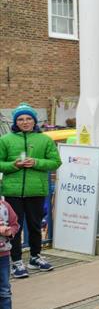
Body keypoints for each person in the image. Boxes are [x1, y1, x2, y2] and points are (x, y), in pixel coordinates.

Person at [0, 103, 62, 278]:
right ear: (15, 122)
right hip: (13, 191)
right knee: (15, 228)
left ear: (34, 121)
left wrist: (36, 162)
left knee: (35, 226)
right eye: (20, 119)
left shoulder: (45, 140)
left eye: (28, 118)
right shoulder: (5, 140)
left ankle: (35, 257)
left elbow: (56, 162)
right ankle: (17, 261)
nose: (25, 122)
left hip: (37, 189)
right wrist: (14, 165)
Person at [1, 197, 20, 309]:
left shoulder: (5, 206)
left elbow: (15, 224)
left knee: (4, 288)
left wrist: (10, 232)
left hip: (3, 255)